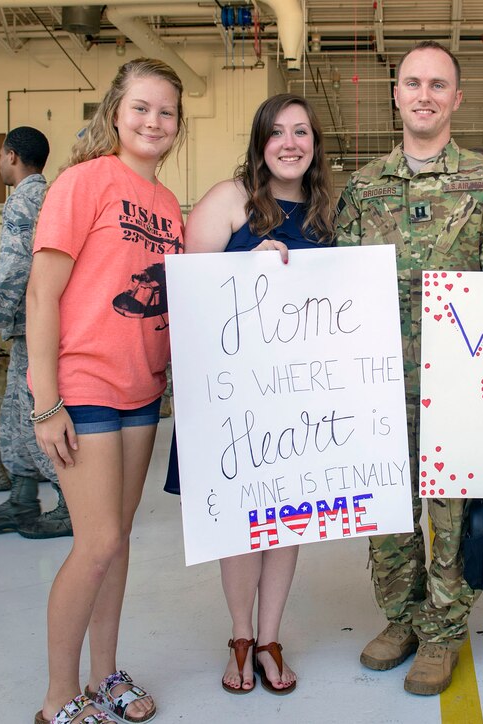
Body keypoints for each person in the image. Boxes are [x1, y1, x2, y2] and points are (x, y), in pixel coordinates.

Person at [335, 40, 483, 696]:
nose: (424, 94)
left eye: (438, 84)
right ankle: (401, 617)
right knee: (386, 513)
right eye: (413, 82)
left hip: (454, 386)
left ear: (456, 98)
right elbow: (336, 288)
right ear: (396, 94)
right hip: (379, 382)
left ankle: (443, 629)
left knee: (447, 518)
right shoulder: (363, 187)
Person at [28, 58, 185, 724]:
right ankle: (58, 699)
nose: (154, 121)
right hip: (84, 383)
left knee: (117, 540)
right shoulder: (83, 182)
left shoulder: (169, 205)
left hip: (140, 391)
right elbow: (43, 292)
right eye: (142, 107)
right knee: (93, 545)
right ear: (116, 112)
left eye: (166, 112)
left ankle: (105, 676)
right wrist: (46, 402)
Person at [179, 93, 335, 696]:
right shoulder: (229, 199)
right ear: (260, 142)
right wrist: (247, 267)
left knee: (287, 520)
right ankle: (241, 637)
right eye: (277, 132)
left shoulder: (325, 212)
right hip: (232, 396)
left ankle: (271, 638)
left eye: (301, 132)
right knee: (243, 524)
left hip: (297, 396)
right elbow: (191, 294)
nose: (290, 143)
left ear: (315, 143)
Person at [0, 126, 73, 540]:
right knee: (15, 418)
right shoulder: (54, 196)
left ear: (12, 156)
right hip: (39, 329)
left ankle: (70, 506)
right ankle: (22, 501)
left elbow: (13, 271)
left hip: (33, 328)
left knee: (37, 417)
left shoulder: (22, 202)